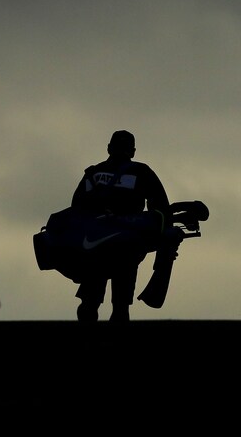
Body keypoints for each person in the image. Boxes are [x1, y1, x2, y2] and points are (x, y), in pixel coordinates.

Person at [70, 130, 169, 322]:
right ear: (133, 151)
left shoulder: (94, 173)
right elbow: (160, 209)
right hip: (127, 245)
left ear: (109, 148)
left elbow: (77, 206)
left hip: (94, 244)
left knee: (89, 304)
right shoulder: (142, 172)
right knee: (121, 307)